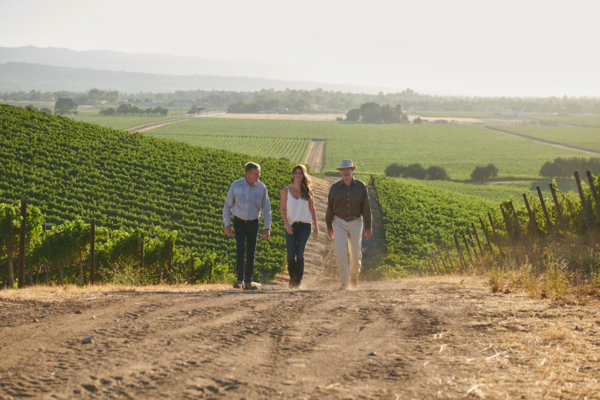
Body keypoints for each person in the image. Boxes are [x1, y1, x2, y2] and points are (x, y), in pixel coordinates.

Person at [223, 162, 271, 290]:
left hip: (254, 222)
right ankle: (240, 279)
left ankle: (248, 281)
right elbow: (227, 206)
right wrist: (227, 225)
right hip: (239, 222)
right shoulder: (236, 185)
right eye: (256, 173)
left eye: (258, 173)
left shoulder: (262, 188)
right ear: (248, 173)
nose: (258, 176)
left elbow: (266, 209)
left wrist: (267, 228)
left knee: (251, 251)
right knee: (240, 248)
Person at [326, 159, 372, 290]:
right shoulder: (334, 188)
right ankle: (344, 282)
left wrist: (368, 226)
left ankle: (354, 277)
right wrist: (329, 226)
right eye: (343, 170)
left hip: (356, 221)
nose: (346, 172)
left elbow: (366, 207)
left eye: (348, 169)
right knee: (341, 252)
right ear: (340, 172)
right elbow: (329, 207)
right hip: (339, 222)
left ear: (352, 171)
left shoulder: (361, 186)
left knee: (356, 254)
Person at [279, 164, 318, 289]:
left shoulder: (308, 191)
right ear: (292, 175)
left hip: (305, 225)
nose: (297, 175)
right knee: (291, 254)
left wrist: (316, 226)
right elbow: (282, 209)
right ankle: (292, 277)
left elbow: (312, 210)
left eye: (300, 173)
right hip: (291, 225)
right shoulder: (286, 191)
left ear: (303, 175)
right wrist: (287, 225)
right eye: (295, 173)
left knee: (300, 253)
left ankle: (298, 280)